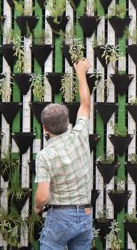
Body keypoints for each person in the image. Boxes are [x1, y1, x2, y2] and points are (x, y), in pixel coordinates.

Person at [34, 58, 92, 250]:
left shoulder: (44, 156)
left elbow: (42, 196)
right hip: (85, 213)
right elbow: (85, 104)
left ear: (44, 128)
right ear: (68, 122)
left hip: (60, 217)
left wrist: (37, 207)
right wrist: (81, 73)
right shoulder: (80, 135)